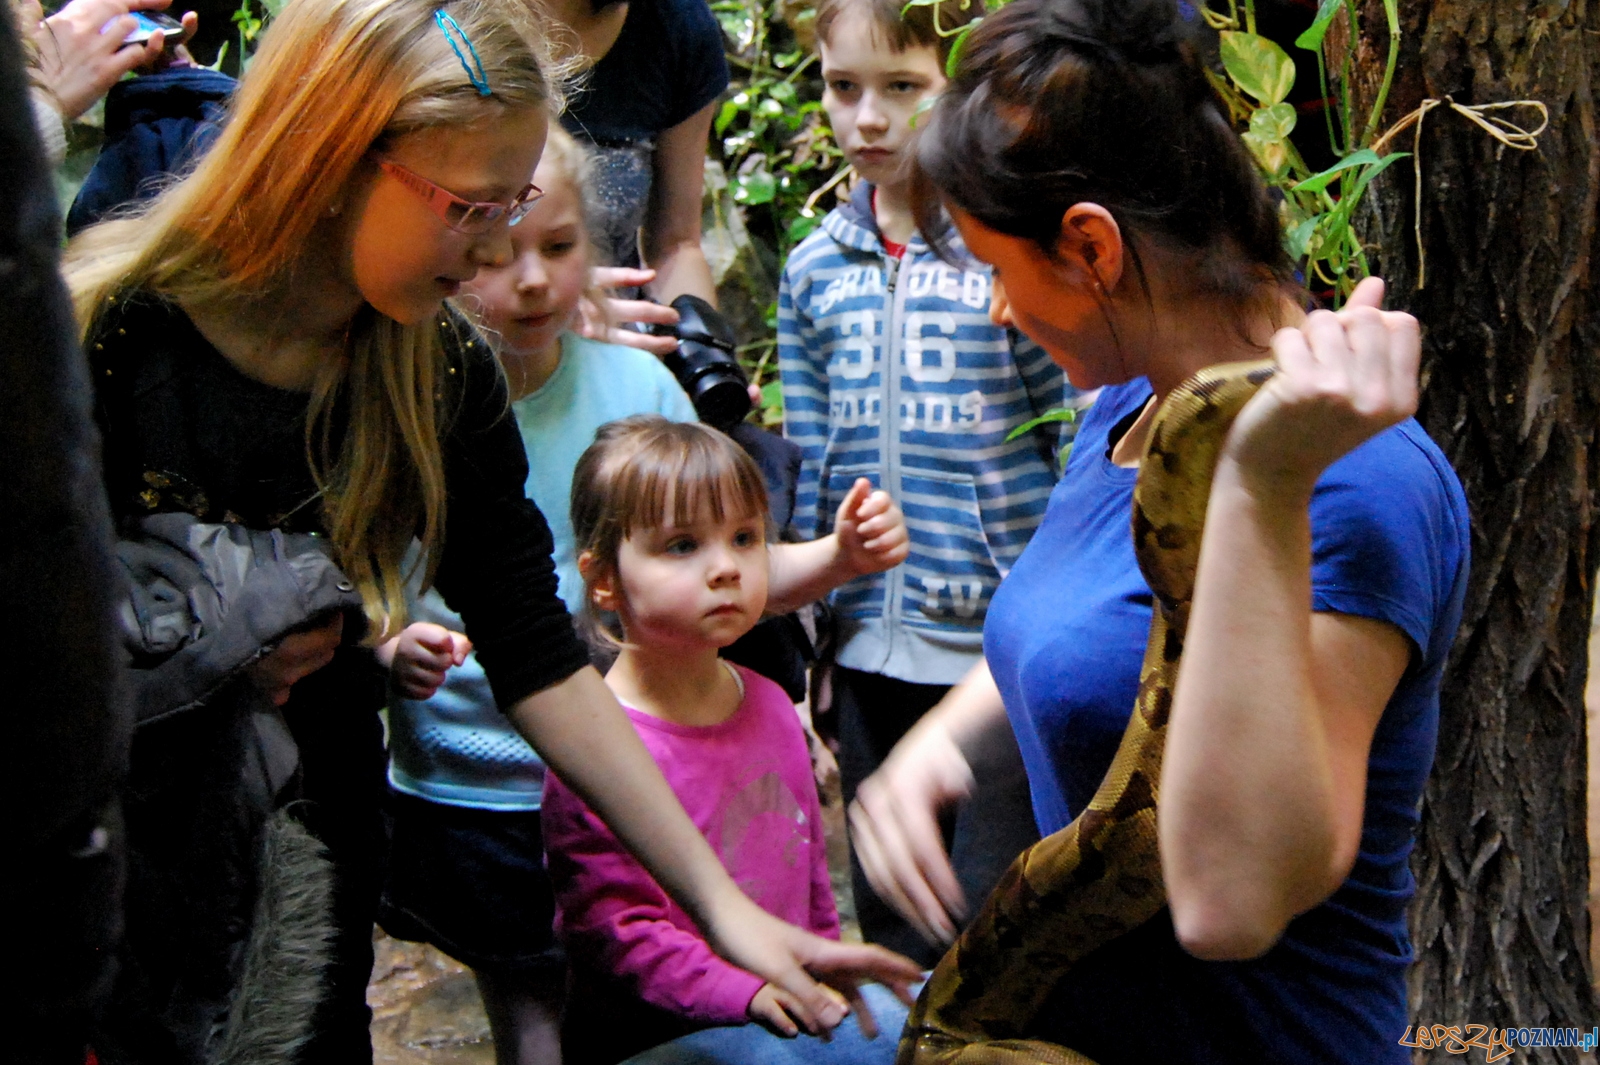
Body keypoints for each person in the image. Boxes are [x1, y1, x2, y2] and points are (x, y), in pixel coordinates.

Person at [62, 0, 920, 1059]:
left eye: (514, 207)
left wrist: (721, 906)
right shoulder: (110, 332)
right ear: (334, 157)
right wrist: (208, 648)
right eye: (472, 208)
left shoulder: (437, 364)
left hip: (313, 828)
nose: (490, 253)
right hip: (108, 843)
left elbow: (534, 646)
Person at [848, 0, 1471, 1061]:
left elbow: (1230, 903)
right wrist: (942, 738)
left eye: (997, 268)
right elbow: (1104, 620)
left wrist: (1261, 486)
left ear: (1090, 246)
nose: (997, 310)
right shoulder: (1132, 408)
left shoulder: (1352, 483)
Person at [378, 125, 910, 1065]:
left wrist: (832, 558)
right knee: (535, 1002)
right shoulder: (409, 401)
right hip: (477, 776)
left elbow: (726, 567)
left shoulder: (636, 387)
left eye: (559, 245)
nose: (532, 281)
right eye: (495, 255)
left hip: (641, 750)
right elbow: (364, 559)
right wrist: (385, 639)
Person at [778, 0, 1070, 965]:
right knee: (895, 919)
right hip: (868, 653)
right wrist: (816, 642)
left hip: (995, 654)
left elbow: (1073, 444)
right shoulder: (812, 268)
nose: (867, 119)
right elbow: (811, 466)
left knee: (997, 920)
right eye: (842, 86)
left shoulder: (1008, 256)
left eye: (902, 87)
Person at [541, 417, 914, 1065]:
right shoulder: (594, 747)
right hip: (655, 1040)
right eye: (682, 545)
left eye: (744, 538)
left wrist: (822, 965)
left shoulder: (769, 703)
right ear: (603, 578)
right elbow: (615, 930)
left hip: (785, 1019)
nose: (725, 568)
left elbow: (805, 867)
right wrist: (745, 992)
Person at [543, 0, 727, 355]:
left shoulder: (677, 24)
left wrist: (706, 357)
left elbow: (676, 245)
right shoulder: (451, 28)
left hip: (615, 353)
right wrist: (550, 303)